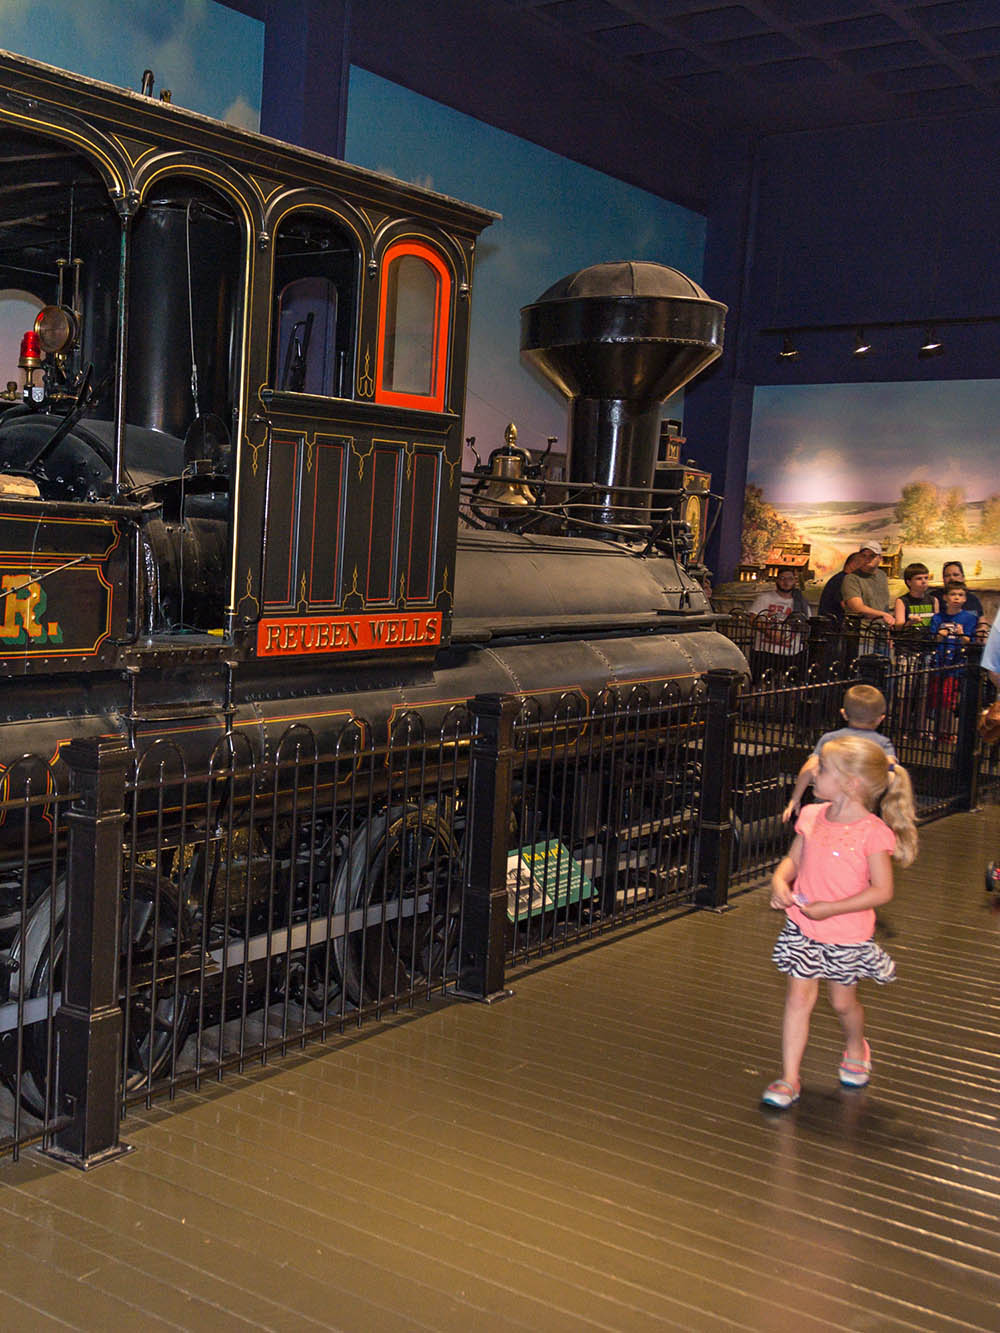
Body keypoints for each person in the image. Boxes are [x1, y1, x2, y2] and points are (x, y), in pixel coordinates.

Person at [762, 735, 918, 1109]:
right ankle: (789, 1077)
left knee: (843, 1002)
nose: (815, 773)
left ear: (850, 783)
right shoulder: (813, 816)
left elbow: (882, 891)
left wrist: (832, 908)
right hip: (804, 926)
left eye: (825, 769)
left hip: (846, 934)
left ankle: (855, 1044)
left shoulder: (872, 832)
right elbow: (794, 859)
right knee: (799, 998)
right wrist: (779, 880)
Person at [782, 684, 895, 823]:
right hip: (863, 809)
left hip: (826, 805)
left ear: (844, 714)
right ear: (880, 719)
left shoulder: (830, 739)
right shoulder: (883, 744)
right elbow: (891, 771)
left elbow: (810, 767)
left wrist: (795, 798)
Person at [927, 584, 978, 737]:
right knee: (936, 698)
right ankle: (937, 731)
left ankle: (948, 732)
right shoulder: (938, 618)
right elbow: (932, 640)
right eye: (953, 594)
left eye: (960, 595)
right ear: (945, 597)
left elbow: (969, 641)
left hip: (956, 664)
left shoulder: (969, 618)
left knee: (949, 700)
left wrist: (961, 634)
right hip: (939, 662)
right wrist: (940, 635)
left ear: (965, 599)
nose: (956, 598)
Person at [747, 565, 811, 676]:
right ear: (777, 580)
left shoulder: (801, 603)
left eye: (790, 579)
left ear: (795, 581)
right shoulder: (765, 598)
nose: (786, 582)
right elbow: (753, 618)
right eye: (782, 579)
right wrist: (770, 633)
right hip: (765, 650)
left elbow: (807, 623)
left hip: (791, 652)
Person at [840, 542, 893, 627]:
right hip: (861, 632)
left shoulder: (882, 575)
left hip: (881, 630)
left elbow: (884, 605)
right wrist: (884, 615)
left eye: (872, 556)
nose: (867, 559)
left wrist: (887, 628)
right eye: (863, 556)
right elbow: (857, 608)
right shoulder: (851, 578)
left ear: (880, 558)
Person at [817, 552, 864, 624]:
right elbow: (846, 606)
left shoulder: (840, 578)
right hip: (833, 626)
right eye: (862, 566)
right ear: (854, 564)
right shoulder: (843, 580)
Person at [893, 562, 937, 629]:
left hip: (929, 637)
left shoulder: (933, 600)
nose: (924, 581)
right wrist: (910, 623)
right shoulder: (901, 601)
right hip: (909, 637)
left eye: (926, 578)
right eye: (919, 578)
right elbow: (898, 627)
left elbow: (937, 623)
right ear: (909, 582)